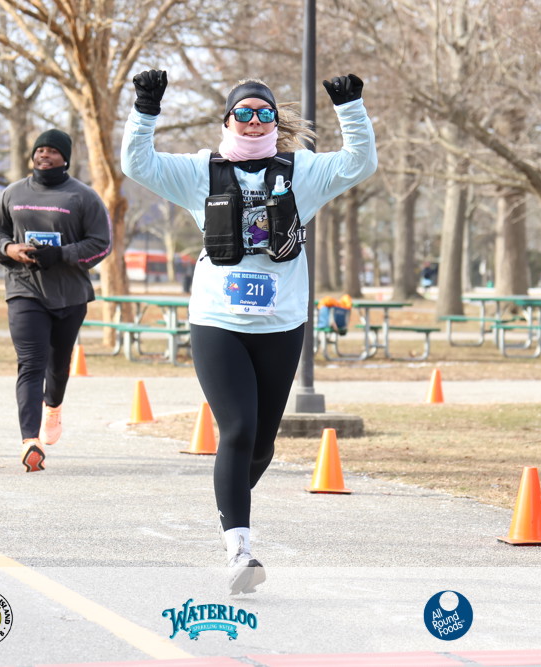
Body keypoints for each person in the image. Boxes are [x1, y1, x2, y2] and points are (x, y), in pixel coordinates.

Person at [122, 70, 377, 594]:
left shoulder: (302, 172)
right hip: (218, 321)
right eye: (244, 113)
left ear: (275, 123)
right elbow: (137, 164)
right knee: (237, 429)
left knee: (261, 446)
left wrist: (350, 107)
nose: (254, 121)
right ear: (227, 120)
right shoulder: (200, 172)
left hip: (282, 323)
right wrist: (146, 107)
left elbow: (360, 163)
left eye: (264, 113)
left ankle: (230, 496)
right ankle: (239, 548)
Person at [0, 129, 111, 473]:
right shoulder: (13, 193)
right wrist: (9, 249)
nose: (44, 155)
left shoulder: (83, 196)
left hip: (69, 294)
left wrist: (62, 254)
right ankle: (30, 441)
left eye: (52, 150)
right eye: (40, 149)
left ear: (65, 158)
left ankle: (53, 407)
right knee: (30, 363)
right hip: (24, 289)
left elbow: (101, 244)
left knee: (58, 364)